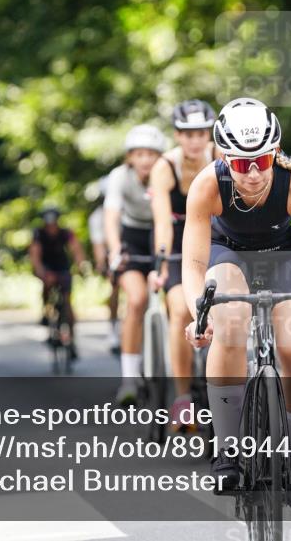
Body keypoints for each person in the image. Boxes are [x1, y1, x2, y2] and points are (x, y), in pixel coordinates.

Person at [182, 97, 291, 510]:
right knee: (231, 322)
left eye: (263, 160)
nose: (254, 173)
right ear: (223, 156)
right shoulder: (207, 184)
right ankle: (228, 452)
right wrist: (198, 315)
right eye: (241, 164)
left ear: (276, 152)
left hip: (286, 255)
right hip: (227, 254)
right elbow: (194, 262)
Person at [149, 100, 216, 430]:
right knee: (179, 309)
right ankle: (182, 398)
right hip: (177, 242)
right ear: (177, 135)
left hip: (215, 237)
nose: (195, 140)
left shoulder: (220, 157)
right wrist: (161, 262)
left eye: (201, 133)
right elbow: (161, 220)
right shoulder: (165, 167)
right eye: (188, 134)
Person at [105, 125, 167, 404]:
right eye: (140, 154)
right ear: (130, 157)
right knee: (137, 300)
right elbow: (111, 216)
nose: (146, 160)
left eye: (152, 154)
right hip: (132, 239)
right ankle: (129, 380)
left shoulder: (165, 174)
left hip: (161, 234)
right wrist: (115, 249)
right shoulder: (119, 177)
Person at [30, 206, 87, 361]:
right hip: (46, 267)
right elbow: (35, 255)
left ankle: (72, 340)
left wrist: (81, 265)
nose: (51, 227)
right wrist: (41, 272)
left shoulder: (65, 233)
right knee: (46, 286)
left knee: (67, 303)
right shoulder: (38, 234)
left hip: (62, 267)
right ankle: (46, 312)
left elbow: (76, 250)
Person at [88, 175, 121, 356]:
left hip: (132, 248)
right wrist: (103, 263)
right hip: (112, 255)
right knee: (114, 289)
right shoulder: (97, 217)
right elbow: (99, 245)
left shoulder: (127, 209)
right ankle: (113, 329)